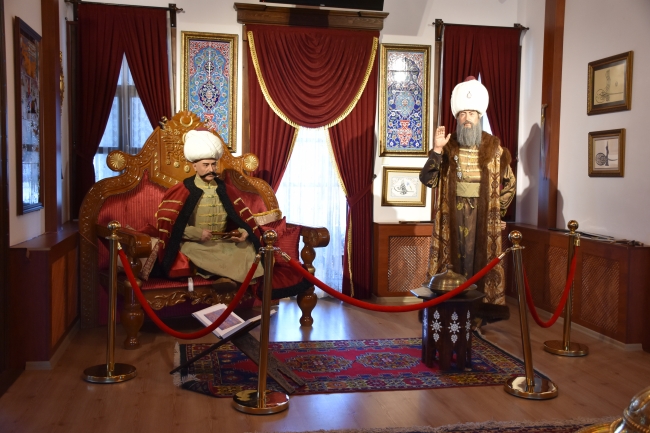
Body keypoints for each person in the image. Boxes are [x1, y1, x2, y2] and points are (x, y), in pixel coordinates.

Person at [419, 77, 516, 322]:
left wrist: (497, 212)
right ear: (457, 117)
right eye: (463, 113)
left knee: (478, 262)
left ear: (479, 116)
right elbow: (428, 180)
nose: (467, 118)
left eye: (471, 113)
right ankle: (449, 312)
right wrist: (437, 150)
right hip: (452, 214)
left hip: (482, 216)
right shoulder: (448, 146)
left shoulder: (494, 148)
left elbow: (510, 183)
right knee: (453, 261)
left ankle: (478, 313)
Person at [155, 129, 265, 287]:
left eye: (214, 164)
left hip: (223, 243)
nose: (211, 169)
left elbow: (241, 219)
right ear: (194, 166)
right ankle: (227, 279)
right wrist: (197, 233)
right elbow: (169, 225)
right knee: (194, 251)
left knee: (247, 248)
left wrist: (243, 231)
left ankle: (225, 280)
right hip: (195, 244)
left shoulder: (225, 189)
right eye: (205, 165)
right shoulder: (181, 190)